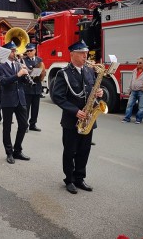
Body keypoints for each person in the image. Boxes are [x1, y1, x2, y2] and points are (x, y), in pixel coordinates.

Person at [51, 40, 103, 194]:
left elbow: (92, 92)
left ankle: (80, 178)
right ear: (72, 54)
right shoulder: (64, 73)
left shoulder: (89, 71)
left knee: (84, 150)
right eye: (81, 53)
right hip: (72, 119)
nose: (85, 56)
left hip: (87, 119)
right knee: (70, 150)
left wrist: (99, 94)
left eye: (86, 53)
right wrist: (74, 111)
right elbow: (57, 97)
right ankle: (69, 179)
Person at [0, 41, 31, 164]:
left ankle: (17, 150)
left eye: (15, 50)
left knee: (23, 125)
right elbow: (4, 82)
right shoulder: (0, 67)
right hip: (8, 100)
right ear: (6, 52)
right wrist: (18, 75)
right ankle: (9, 152)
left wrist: (26, 75)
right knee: (7, 128)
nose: (14, 52)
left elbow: (23, 82)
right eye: (12, 50)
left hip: (20, 99)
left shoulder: (18, 64)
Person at [23, 43, 45, 132]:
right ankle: (25, 125)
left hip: (37, 87)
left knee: (35, 108)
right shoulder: (24, 60)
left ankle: (33, 124)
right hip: (28, 88)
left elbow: (42, 71)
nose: (29, 52)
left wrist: (42, 73)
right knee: (26, 108)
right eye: (27, 51)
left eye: (30, 50)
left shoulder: (39, 60)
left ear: (35, 51)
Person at [121, 57, 143, 124]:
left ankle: (138, 119)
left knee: (141, 106)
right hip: (133, 91)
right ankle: (127, 118)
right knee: (129, 104)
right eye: (137, 63)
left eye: (140, 63)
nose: (138, 64)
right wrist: (129, 89)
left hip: (142, 91)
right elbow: (131, 80)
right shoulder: (134, 70)